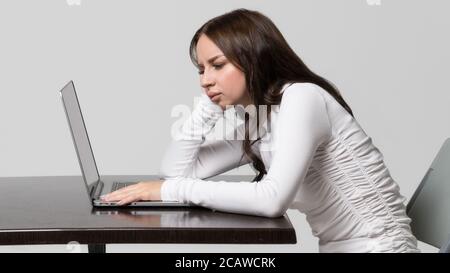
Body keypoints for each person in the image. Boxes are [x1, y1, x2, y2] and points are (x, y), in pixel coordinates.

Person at [101, 8, 420, 253]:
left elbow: (271, 200)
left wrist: (169, 191)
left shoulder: (302, 98)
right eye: (201, 70)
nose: (205, 79)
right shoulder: (262, 116)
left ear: (253, 58)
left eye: (217, 65)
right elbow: (178, 170)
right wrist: (206, 108)